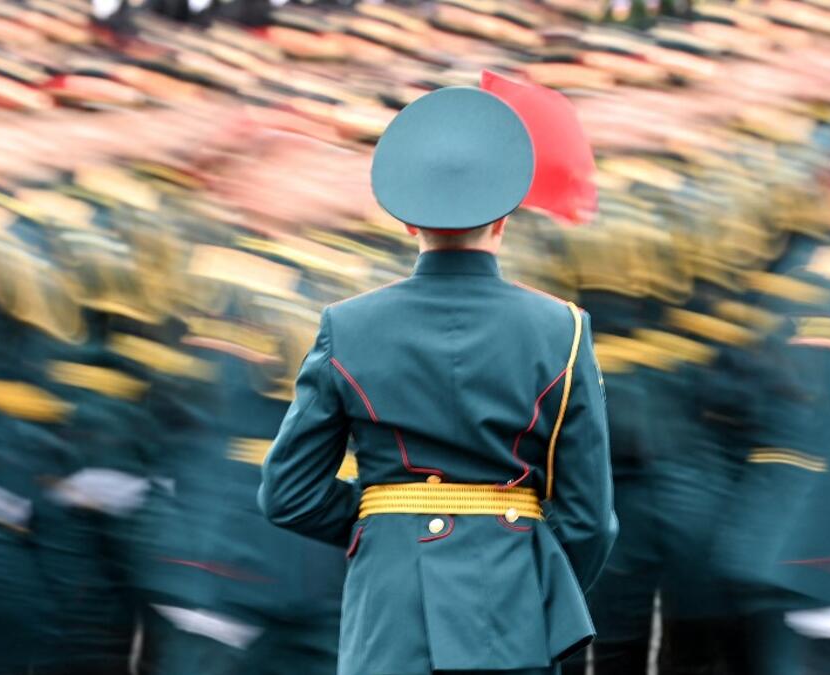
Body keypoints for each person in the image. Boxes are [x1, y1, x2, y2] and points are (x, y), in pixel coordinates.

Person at [260, 85, 618, 675]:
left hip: (390, 601)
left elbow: (288, 492)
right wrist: (535, 584)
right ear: (504, 220)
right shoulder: (564, 329)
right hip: (513, 602)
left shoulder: (347, 326)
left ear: (406, 223)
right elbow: (589, 517)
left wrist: (384, 524)